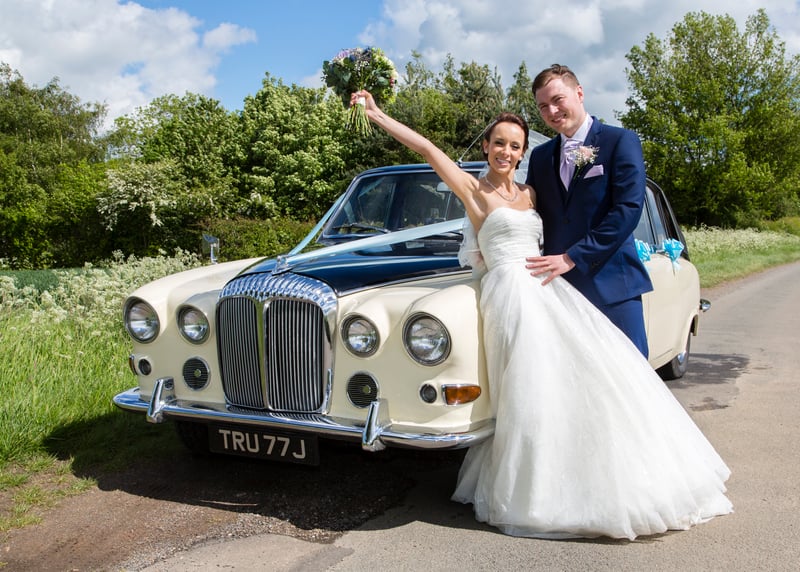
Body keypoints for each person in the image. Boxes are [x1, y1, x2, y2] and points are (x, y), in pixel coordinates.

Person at [350, 89, 732, 540]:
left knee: (578, 379)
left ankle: (601, 477)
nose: (506, 152)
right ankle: (536, 489)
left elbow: (578, 214)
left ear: (522, 153)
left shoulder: (530, 193)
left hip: (547, 289)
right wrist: (377, 114)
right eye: (498, 143)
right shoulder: (473, 190)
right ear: (486, 146)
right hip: (509, 294)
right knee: (527, 388)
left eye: (515, 146)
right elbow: (427, 148)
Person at [525, 64, 653, 357]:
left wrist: (573, 257)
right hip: (560, 291)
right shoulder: (540, 157)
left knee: (630, 374)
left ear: (579, 93)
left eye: (558, 99)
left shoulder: (620, 141)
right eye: (543, 106)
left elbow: (628, 209)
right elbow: (532, 215)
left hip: (613, 287)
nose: (552, 111)